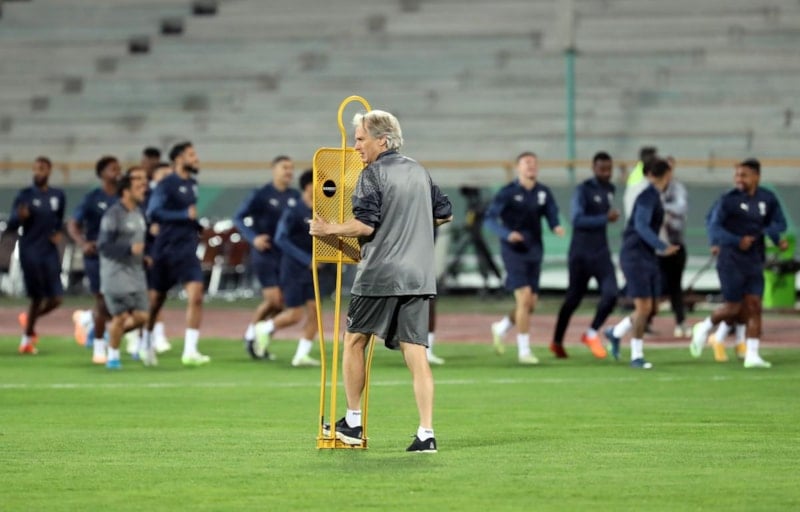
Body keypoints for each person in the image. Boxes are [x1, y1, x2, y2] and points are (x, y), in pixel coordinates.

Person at [309, 109, 452, 452]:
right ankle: (426, 434)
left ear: (382, 141)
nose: (356, 146)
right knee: (416, 352)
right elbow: (444, 213)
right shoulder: (419, 171)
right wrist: (410, 225)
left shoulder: (371, 174)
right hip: (419, 275)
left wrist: (327, 229)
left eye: (360, 139)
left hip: (381, 272)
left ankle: (353, 421)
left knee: (354, 340)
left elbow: (365, 225)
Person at [690, 158, 788, 368]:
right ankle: (705, 326)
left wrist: (776, 238)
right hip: (730, 259)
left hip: (755, 259)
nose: (739, 179)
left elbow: (779, 223)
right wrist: (735, 241)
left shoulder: (767, 198)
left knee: (754, 306)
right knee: (734, 308)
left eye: (744, 175)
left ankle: (752, 354)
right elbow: (714, 225)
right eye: (736, 175)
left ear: (756, 177)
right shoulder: (728, 200)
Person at [485, 151, 565, 364]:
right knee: (524, 297)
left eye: (534, 163)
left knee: (531, 303)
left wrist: (555, 225)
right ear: (517, 168)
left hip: (534, 249)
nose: (531, 166)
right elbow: (490, 219)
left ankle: (501, 327)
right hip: (513, 251)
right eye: (526, 163)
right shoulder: (508, 192)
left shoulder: (543, 192)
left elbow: (551, 212)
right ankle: (524, 350)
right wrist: (507, 234)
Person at [604, 158, 679, 369]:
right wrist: (661, 245)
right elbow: (641, 225)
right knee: (644, 307)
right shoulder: (647, 196)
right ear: (666, 175)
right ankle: (636, 356)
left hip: (646, 256)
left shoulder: (654, 196)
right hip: (635, 255)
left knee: (651, 307)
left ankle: (615, 332)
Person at [145, 141, 210, 366]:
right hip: (166, 249)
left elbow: (188, 216)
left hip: (187, 250)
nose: (196, 158)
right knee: (156, 301)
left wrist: (195, 225)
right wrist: (183, 215)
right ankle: (146, 341)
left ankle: (190, 351)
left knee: (197, 295)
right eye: (191, 154)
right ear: (178, 159)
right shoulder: (166, 184)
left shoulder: (192, 184)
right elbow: (153, 212)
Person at [550, 151, 619, 359]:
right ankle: (557, 340)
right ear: (593, 168)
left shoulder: (610, 189)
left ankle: (591, 333)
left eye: (609, 169)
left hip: (601, 252)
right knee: (573, 299)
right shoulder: (583, 190)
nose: (606, 173)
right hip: (580, 253)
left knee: (612, 294)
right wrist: (604, 218)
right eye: (602, 169)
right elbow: (577, 219)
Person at [233, 155, 300, 360]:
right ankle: (251, 336)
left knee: (279, 305)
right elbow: (238, 217)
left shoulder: (295, 196)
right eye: (284, 167)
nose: (288, 171)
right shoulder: (261, 194)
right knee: (274, 300)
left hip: (285, 256)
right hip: (265, 253)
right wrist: (253, 238)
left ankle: (256, 340)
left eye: (291, 168)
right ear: (274, 169)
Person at [254, 169, 320, 367]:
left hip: (311, 270)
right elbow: (280, 238)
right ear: (308, 186)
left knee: (315, 312)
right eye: (319, 183)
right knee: (294, 314)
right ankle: (264, 328)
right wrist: (305, 259)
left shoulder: (321, 211)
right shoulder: (294, 210)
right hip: (293, 269)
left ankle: (301, 355)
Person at [7, 157, 66, 355]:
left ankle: (30, 319)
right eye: (36, 169)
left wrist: (58, 232)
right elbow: (12, 224)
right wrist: (19, 217)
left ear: (49, 171)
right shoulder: (24, 195)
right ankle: (26, 340)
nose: (39, 172)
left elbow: (59, 219)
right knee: (37, 296)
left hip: (49, 251)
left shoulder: (58, 195)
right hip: (30, 251)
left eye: (42, 169)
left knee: (57, 298)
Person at [67, 155, 121, 364]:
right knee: (103, 300)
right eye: (113, 169)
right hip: (96, 256)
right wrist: (83, 243)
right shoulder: (92, 198)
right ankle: (99, 346)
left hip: (119, 257)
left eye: (118, 168)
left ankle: (87, 319)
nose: (117, 172)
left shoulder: (124, 197)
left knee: (118, 302)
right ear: (102, 174)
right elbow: (73, 223)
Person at [97, 173, 149, 369]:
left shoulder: (138, 213)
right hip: (116, 273)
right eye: (138, 187)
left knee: (142, 316)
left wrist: (144, 256)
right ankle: (113, 357)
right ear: (126, 192)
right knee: (120, 316)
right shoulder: (113, 215)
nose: (143, 190)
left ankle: (107, 333)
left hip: (136, 273)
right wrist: (128, 249)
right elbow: (103, 246)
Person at [658, 156, 690, 338]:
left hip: (675, 243)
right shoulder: (652, 190)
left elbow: (681, 207)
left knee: (675, 286)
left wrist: (663, 208)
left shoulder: (677, 188)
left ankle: (680, 321)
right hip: (657, 246)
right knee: (654, 286)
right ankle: (644, 321)